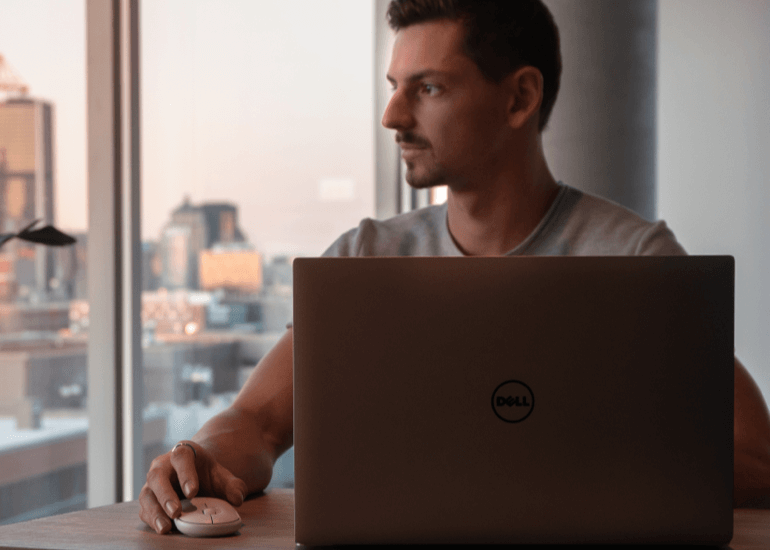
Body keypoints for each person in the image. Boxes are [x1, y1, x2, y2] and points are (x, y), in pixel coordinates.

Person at [139, 0, 770, 533]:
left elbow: (756, 460)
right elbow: (255, 423)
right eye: (394, 88)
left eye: (429, 88)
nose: (393, 116)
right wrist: (200, 455)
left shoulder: (636, 259)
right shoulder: (364, 260)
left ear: (520, 97)